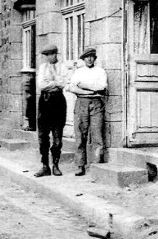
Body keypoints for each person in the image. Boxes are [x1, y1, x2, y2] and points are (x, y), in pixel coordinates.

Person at [65, 47, 107, 176]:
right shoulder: (78, 72)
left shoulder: (100, 71)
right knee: (80, 136)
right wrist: (88, 91)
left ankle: (97, 165)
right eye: (87, 57)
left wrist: (83, 85)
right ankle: (80, 165)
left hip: (96, 104)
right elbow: (71, 87)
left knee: (97, 134)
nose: (89, 59)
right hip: (81, 103)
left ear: (94, 58)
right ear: (83, 59)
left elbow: (102, 87)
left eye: (92, 57)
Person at [33, 44, 71, 178]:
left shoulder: (63, 66)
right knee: (43, 136)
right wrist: (55, 82)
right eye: (47, 55)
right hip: (44, 101)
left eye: (52, 54)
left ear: (56, 54)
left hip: (58, 102)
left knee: (57, 137)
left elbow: (64, 83)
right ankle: (45, 166)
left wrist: (53, 81)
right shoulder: (43, 67)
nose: (50, 57)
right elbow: (41, 85)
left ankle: (55, 164)